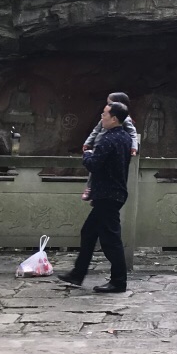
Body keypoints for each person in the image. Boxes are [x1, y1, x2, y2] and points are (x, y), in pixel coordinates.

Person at [59, 101, 133, 293]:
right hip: (114, 192)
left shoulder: (108, 139)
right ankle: (78, 273)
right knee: (89, 232)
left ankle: (118, 281)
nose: (102, 117)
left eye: (105, 114)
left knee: (111, 240)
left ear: (114, 118)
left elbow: (94, 164)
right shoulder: (125, 137)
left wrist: (87, 154)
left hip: (107, 194)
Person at [81, 92, 138, 201]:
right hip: (112, 194)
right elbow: (95, 131)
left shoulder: (116, 136)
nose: (104, 114)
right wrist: (88, 142)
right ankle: (90, 188)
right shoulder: (105, 125)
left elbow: (133, 133)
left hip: (109, 193)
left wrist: (134, 147)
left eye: (110, 104)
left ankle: (91, 190)